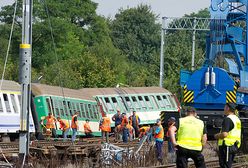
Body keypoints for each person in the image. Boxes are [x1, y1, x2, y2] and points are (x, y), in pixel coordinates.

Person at [214, 103, 241, 168]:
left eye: (224, 107)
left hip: (227, 146)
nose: (224, 109)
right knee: (228, 165)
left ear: (228, 108)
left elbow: (224, 134)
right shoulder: (237, 119)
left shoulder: (228, 119)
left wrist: (217, 136)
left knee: (224, 166)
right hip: (234, 145)